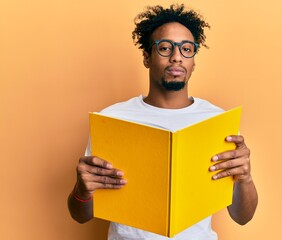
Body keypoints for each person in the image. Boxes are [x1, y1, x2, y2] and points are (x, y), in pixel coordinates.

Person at [68, 4, 258, 240]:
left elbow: (243, 217)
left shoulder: (218, 121)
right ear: (147, 57)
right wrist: (81, 189)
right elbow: (80, 215)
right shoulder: (111, 119)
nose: (177, 57)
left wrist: (245, 178)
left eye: (187, 49)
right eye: (165, 48)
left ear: (194, 62)